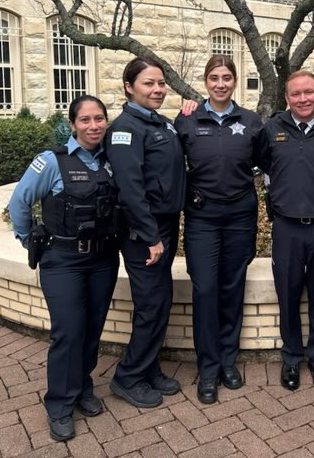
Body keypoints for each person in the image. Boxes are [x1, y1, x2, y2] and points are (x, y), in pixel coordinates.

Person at [7, 95, 119, 442]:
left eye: (99, 119)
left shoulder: (111, 159)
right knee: (68, 331)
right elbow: (19, 202)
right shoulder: (51, 162)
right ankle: (59, 404)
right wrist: (28, 240)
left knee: (91, 328)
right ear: (72, 124)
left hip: (102, 259)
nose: (94, 126)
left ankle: (83, 387)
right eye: (85, 120)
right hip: (63, 261)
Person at [174, 56, 265, 404]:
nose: (221, 84)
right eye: (214, 78)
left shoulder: (252, 122)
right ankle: (208, 368)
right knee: (206, 290)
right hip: (202, 218)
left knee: (231, 289)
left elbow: (267, 162)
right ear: (206, 81)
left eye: (227, 77)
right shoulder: (187, 119)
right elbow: (169, 164)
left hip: (240, 216)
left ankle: (228, 362)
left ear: (235, 81)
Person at [258, 70, 314, 392]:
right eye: (296, 94)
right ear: (287, 98)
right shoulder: (271, 130)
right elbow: (262, 162)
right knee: (289, 297)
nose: (303, 99)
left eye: (308, 92)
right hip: (286, 228)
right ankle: (292, 358)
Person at [106, 56, 186, 409]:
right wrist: (151, 236)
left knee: (159, 301)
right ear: (129, 86)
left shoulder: (161, 124)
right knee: (152, 305)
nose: (158, 89)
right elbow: (130, 189)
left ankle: (148, 367)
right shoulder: (126, 129)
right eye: (148, 83)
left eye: (161, 83)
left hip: (164, 226)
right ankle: (127, 376)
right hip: (145, 232)